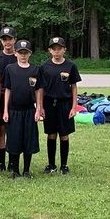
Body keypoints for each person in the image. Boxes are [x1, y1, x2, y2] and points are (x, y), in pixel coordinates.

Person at [1, 39, 43, 177]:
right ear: (15, 53)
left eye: (26, 53)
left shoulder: (35, 70)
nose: (23, 55)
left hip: (29, 110)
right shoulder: (10, 69)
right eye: (20, 52)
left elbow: (38, 90)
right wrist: (6, 110)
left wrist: (38, 109)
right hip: (14, 111)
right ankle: (15, 170)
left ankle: (26, 170)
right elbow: (7, 89)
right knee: (14, 140)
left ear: (30, 54)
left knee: (28, 140)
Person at [40, 37, 80, 174]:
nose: (57, 52)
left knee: (64, 134)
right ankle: (51, 164)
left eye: (59, 49)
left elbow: (74, 87)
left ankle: (64, 165)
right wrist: (40, 107)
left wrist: (74, 106)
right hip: (49, 103)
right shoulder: (44, 67)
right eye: (54, 49)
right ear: (50, 50)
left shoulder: (70, 66)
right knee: (51, 134)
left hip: (65, 104)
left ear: (64, 50)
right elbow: (41, 89)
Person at [0, 25, 19, 168]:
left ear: (15, 40)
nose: (7, 42)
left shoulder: (20, 56)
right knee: (1, 130)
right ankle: (1, 162)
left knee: (13, 130)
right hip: (1, 95)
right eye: (4, 39)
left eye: (9, 39)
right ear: (1, 41)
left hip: (15, 97)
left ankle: (12, 160)